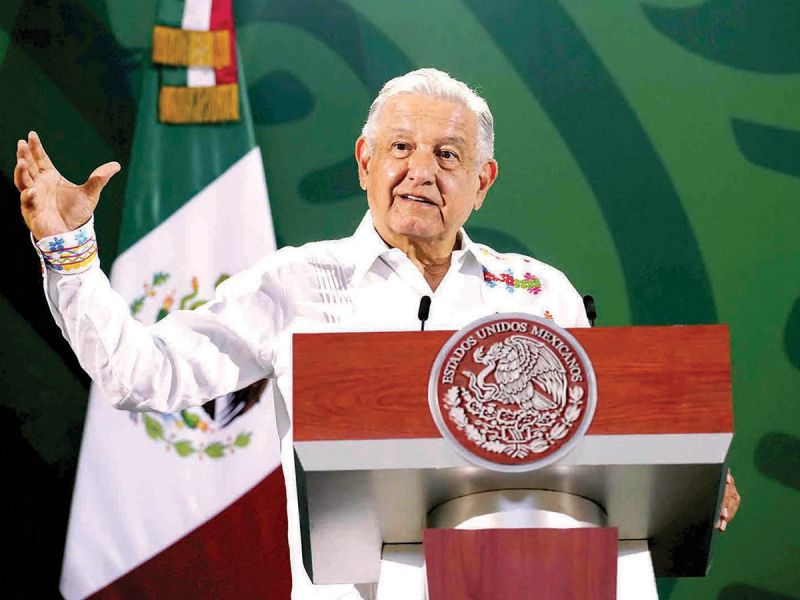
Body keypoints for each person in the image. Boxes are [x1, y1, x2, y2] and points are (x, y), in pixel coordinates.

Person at [14, 68, 740, 598]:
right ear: (365, 162)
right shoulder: (296, 283)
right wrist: (70, 255)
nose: (422, 171)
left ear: (483, 181)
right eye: (401, 148)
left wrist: (688, 472)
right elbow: (143, 372)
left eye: (448, 155)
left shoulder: (539, 291)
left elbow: (598, 437)